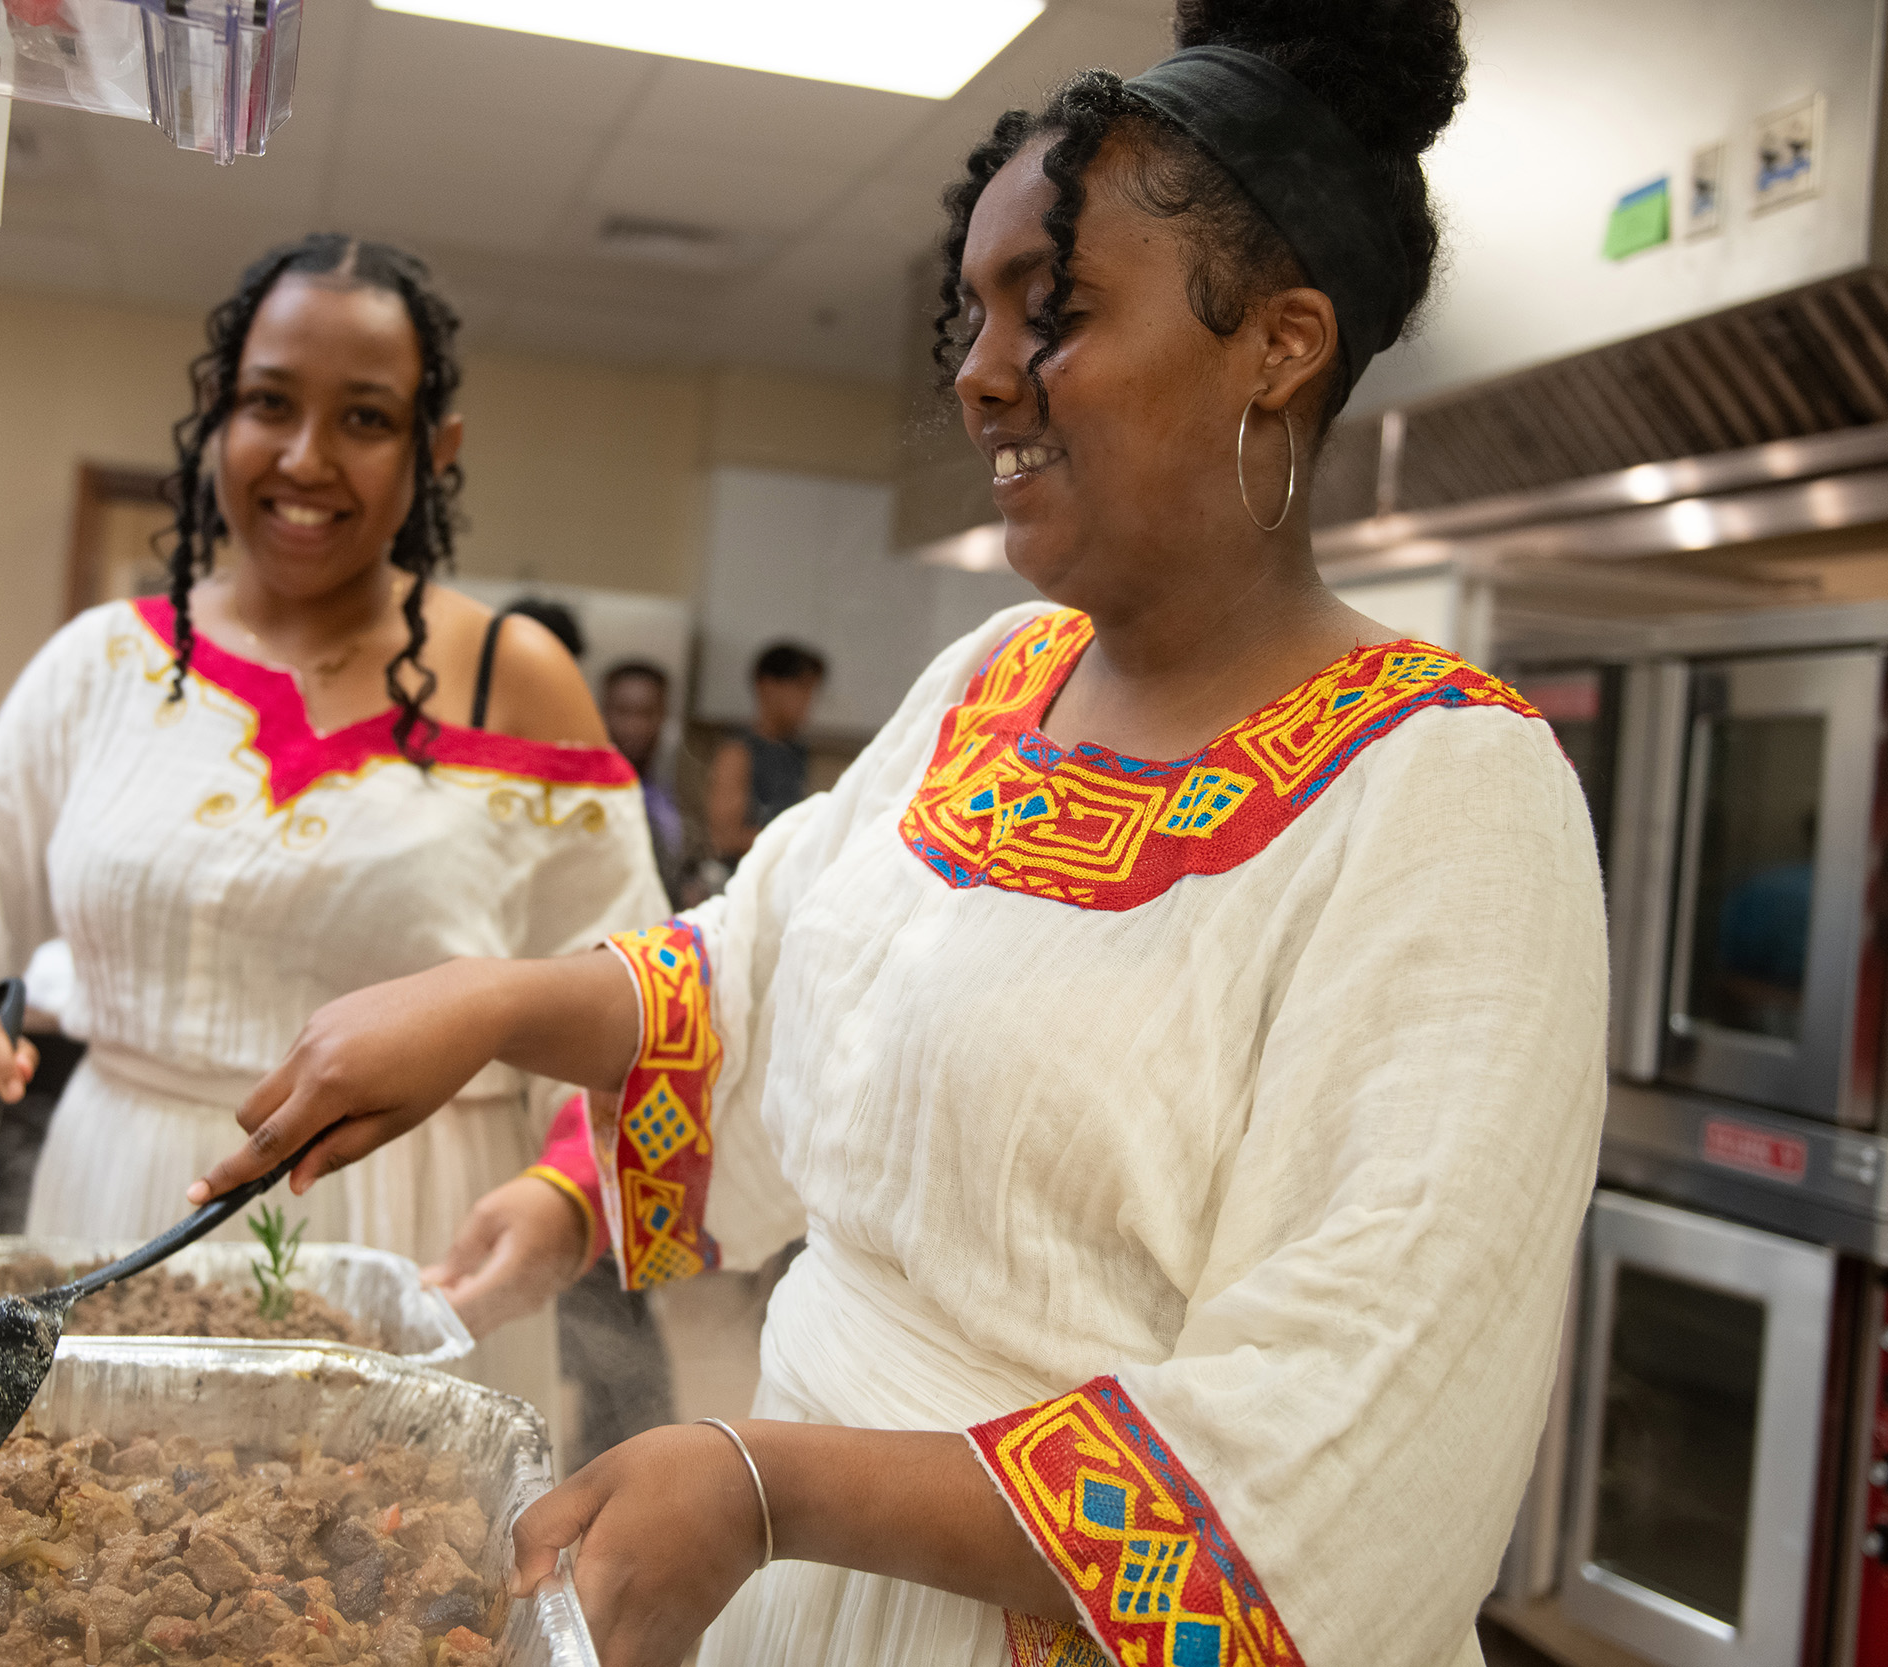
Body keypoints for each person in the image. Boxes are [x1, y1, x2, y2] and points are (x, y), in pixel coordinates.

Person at [192, 4, 1606, 1664]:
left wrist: (772, 1485)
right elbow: (770, 978)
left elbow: (1346, 1434)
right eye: (976, 312)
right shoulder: (988, 686)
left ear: (1279, 344)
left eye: (1052, 311)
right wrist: (497, 1008)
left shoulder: (1446, 796)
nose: (979, 369)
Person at [0, 234, 667, 1413]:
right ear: (216, 416)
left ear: (437, 449)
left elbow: (640, 998)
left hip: (414, 1250)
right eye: (268, 403)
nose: (304, 457)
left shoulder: (515, 683)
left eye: (366, 418)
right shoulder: (105, 667)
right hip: (117, 1216)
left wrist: (571, 1192)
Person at [706, 641, 826, 862]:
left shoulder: (797, 751)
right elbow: (725, 838)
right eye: (802, 688)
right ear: (768, 686)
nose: (809, 700)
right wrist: (794, 840)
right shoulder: (738, 751)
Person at [601, 660, 685, 897]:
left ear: (663, 716)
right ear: (604, 713)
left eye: (647, 713)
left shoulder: (673, 789)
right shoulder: (587, 796)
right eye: (623, 712)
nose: (634, 727)